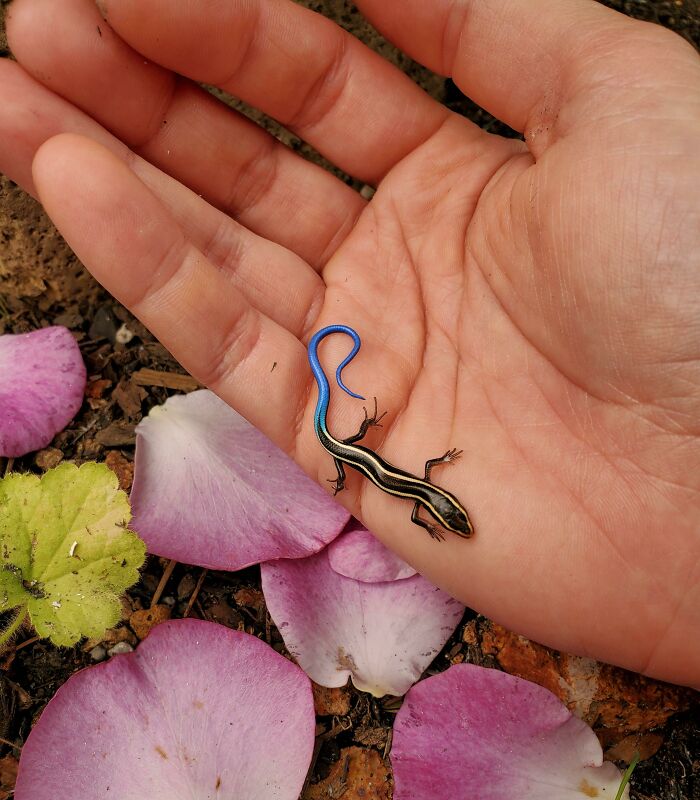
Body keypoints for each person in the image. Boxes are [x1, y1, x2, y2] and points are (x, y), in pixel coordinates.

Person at [0, 0, 698, 687]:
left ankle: (336, 395)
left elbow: (420, 474)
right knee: (344, 420)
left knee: (346, 416)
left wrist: (359, 470)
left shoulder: (420, 487)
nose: (445, 517)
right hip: (349, 447)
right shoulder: (416, 485)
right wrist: (354, 467)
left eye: (447, 520)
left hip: (353, 448)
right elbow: (418, 473)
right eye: (447, 518)